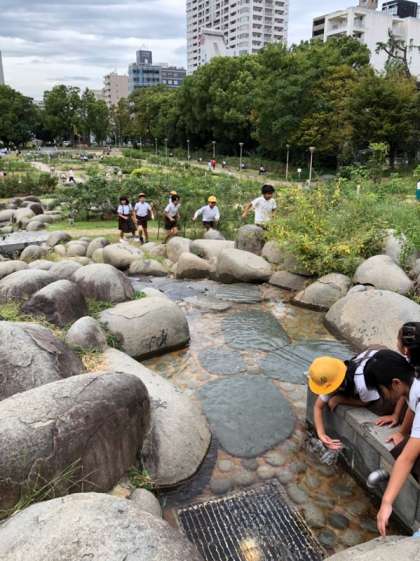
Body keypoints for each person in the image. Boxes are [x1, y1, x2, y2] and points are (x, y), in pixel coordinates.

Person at [308, 350, 415, 452]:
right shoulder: (336, 375)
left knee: (381, 407)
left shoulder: (362, 384)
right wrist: (321, 434)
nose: (328, 392)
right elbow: (318, 407)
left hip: (381, 367)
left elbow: (366, 402)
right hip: (375, 360)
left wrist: (340, 399)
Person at [371, 324, 420, 536]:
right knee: (401, 448)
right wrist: (402, 432)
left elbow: (407, 458)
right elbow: (412, 406)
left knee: (405, 454)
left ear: (395, 383)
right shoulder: (414, 378)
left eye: (382, 391)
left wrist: (386, 503)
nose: (384, 396)